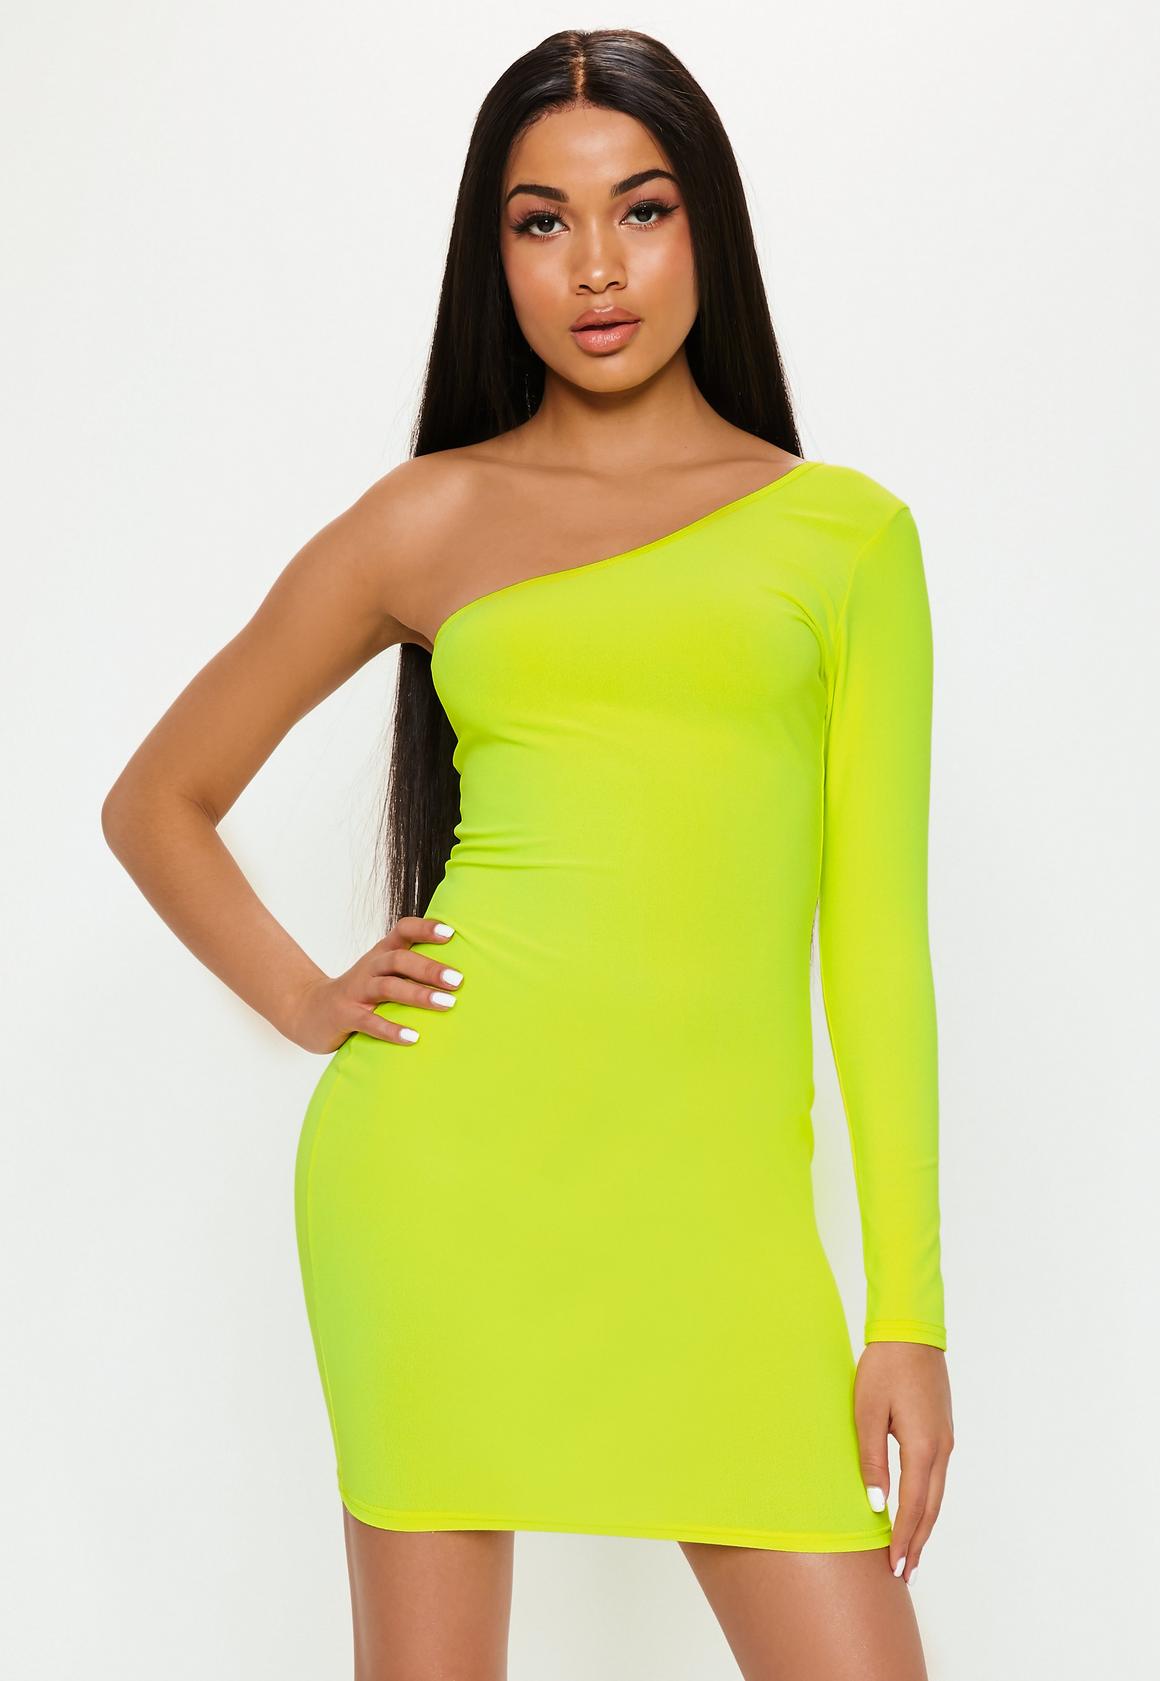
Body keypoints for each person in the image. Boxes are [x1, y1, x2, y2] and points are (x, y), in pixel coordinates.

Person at [102, 28, 954, 1681]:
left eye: (640, 209)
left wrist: (906, 1316)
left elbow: (876, 946)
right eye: (541, 222)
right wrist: (306, 997)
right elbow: (158, 798)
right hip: (442, 1187)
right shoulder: (429, 517)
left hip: (718, 1227)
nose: (596, 268)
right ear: (493, 255)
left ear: (707, 223)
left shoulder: (846, 537)